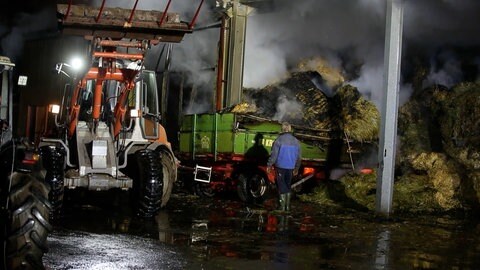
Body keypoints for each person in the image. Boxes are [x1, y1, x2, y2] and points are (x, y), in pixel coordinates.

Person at [267, 122, 301, 212]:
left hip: (281, 166)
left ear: (282, 129)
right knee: (287, 184)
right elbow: (298, 156)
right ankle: (287, 207)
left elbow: (274, 155)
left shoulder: (279, 140)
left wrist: (269, 165)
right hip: (291, 167)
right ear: (290, 129)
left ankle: (282, 207)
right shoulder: (296, 141)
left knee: (282, 185)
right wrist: (297, 168)